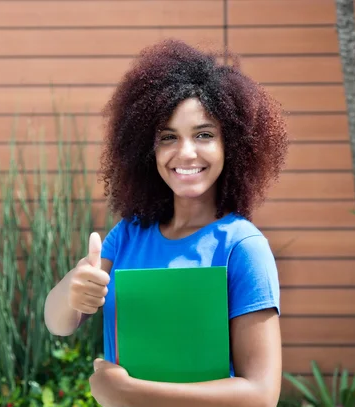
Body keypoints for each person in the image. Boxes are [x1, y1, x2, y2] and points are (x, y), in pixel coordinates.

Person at [44, 38, 289, 407]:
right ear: (147, 150)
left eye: (204, 135)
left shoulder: (242, 247)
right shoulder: (127, 235)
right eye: (167, 137)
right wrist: (73, 288)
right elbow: (59, 322)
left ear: (232, 146)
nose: (185, 152)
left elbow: (260, 395)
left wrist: (129, 393)